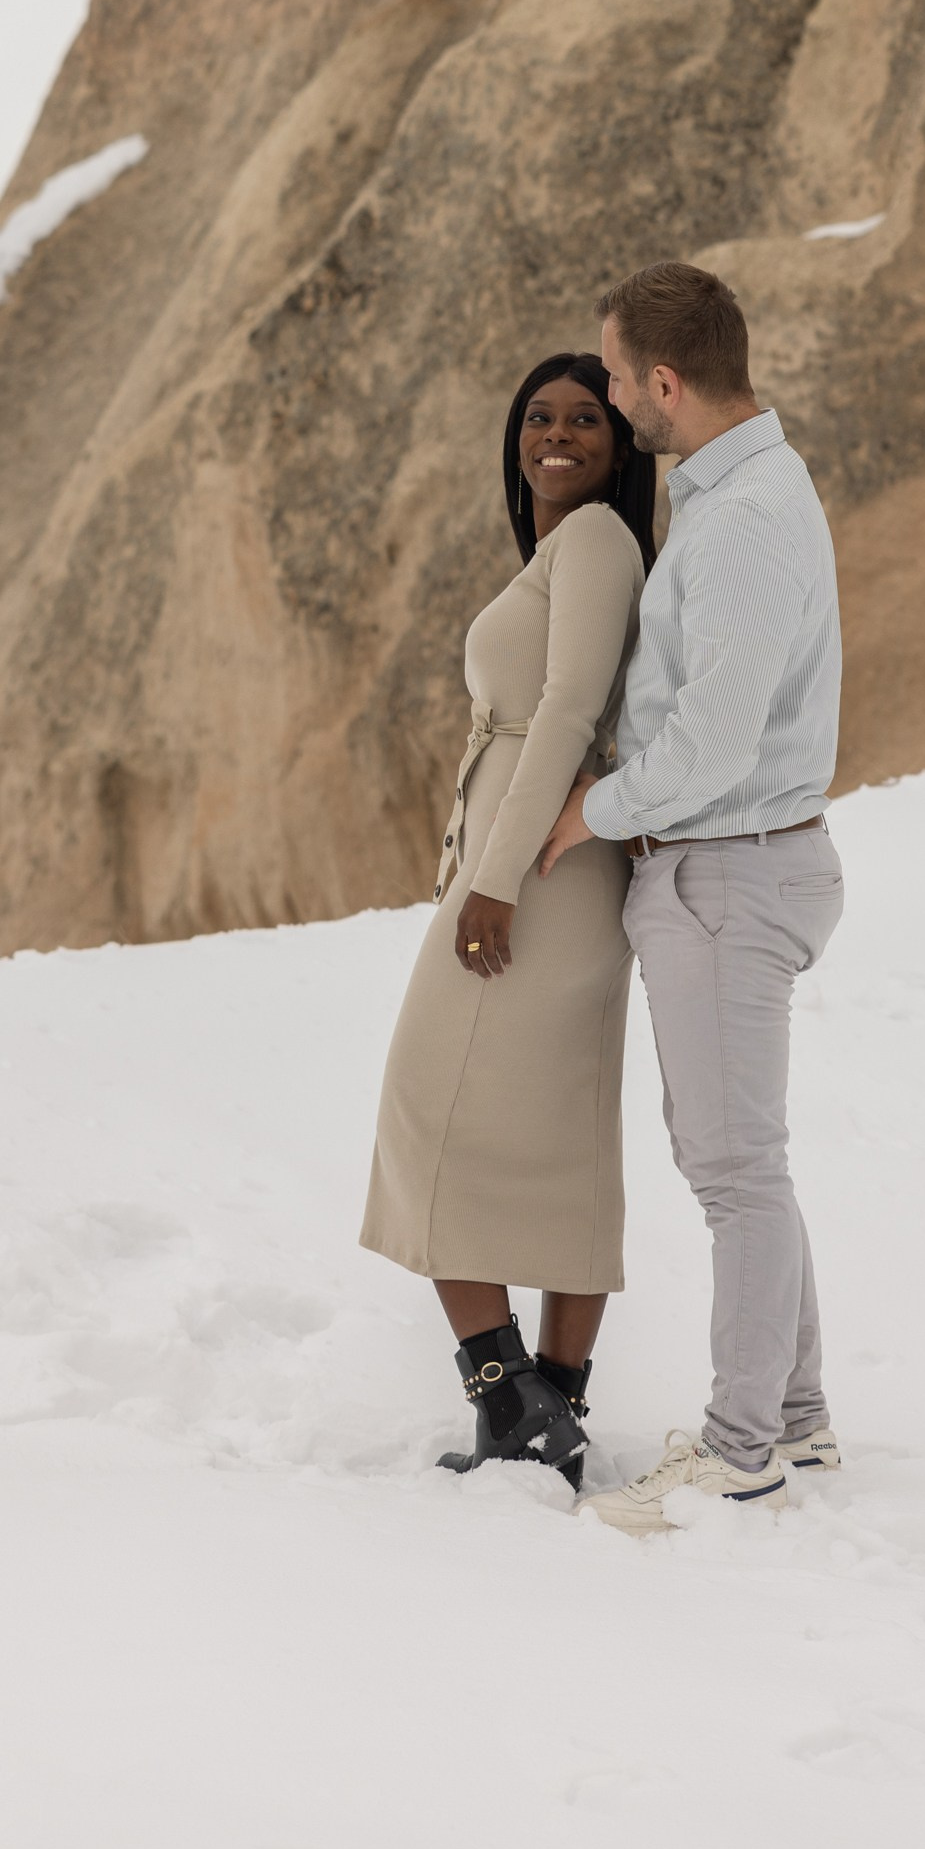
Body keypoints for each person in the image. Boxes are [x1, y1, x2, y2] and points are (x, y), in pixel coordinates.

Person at [536, 259, 844, 1537]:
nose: (606, 397)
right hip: (730, 865)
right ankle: (795, 1418)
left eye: (613, 375)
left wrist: (587, 811)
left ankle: (741, 1450)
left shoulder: (743, 518)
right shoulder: (739, 495)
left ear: (664, 382)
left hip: (726, 867)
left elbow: (711, 747)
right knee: (743, 1160)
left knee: (734, 1170)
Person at [360, 351, 656, 1490]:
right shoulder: (575, 552)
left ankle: (506, 1392)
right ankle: (550, 1406)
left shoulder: (592, 540)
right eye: (541, 415)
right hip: (553, 872)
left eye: (589, 417)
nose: (561, 433)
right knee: (565, 1137)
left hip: (535, 874)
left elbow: (570, 711)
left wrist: (494, 876)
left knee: (421, 1111)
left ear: (621, 446)